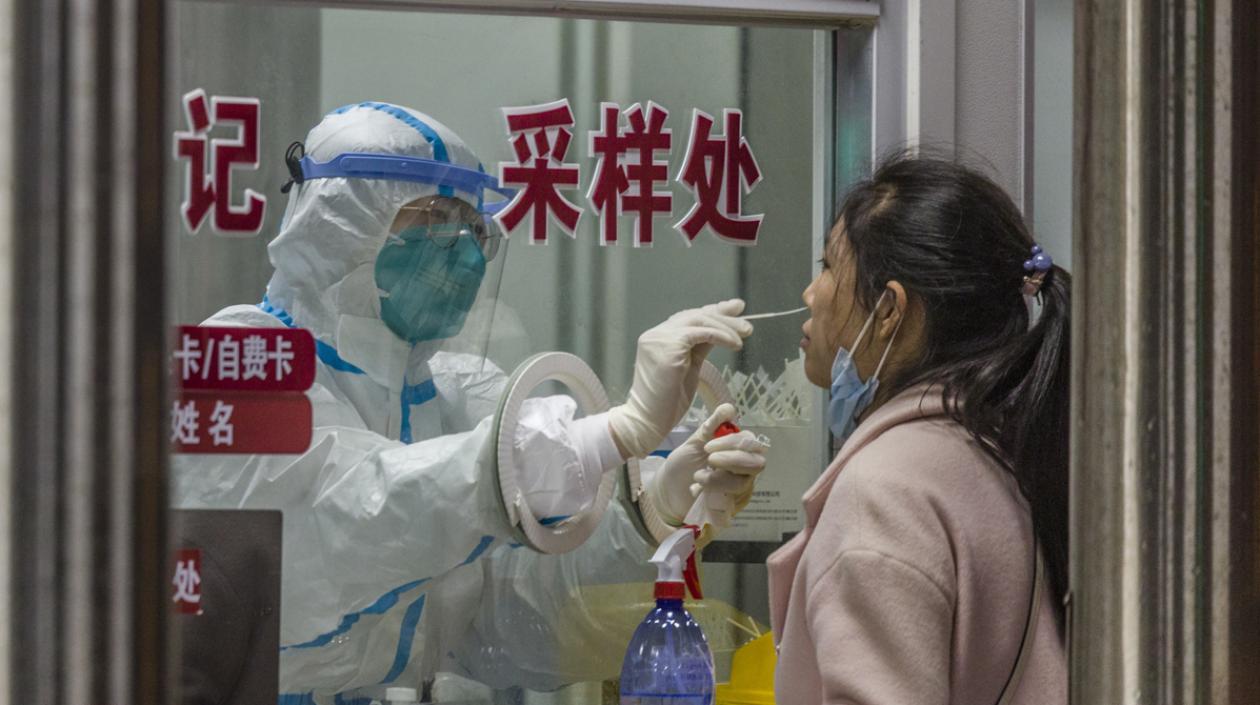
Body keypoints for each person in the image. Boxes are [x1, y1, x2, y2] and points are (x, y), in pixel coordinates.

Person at [171, 102, 769, 703]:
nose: (463, 253)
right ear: (342, 224)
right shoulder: (242, 362)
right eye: (432, 218)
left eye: (473, 227)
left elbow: (513, 618)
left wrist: (650, 512)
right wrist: (609, 434)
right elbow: (351, 517)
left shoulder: (452, 398)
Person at [768, 155, 1069, 704]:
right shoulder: (990, 455)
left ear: (889, 311)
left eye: (830, 267)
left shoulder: (884, 496)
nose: (812, 293)